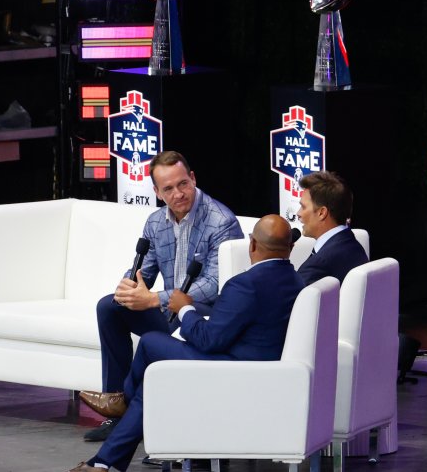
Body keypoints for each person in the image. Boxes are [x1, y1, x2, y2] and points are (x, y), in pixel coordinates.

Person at [70, 215, 306, 472]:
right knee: (150, 387)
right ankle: (104, 463)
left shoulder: (245, 284)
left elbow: (209, 340)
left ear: (252, 245)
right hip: (260, 367)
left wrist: (185, 310)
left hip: (233, 370)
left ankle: (122, 402)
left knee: (150, 343)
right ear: (291, 247)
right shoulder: (296, 280)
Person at [86, 151, 244, 442]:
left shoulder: (221, 221)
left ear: (193, 179)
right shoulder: (155, 222)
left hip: (201, 319)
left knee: (157, 311)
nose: (178, 193)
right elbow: (142, 271)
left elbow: (215, 284)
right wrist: (130, 289)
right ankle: (116, 409)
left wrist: (154, 299)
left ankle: (144, 416)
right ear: (157, 192)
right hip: (166, 316)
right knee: (109, 307)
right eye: (168, 189)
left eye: (183, 184)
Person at [296, 171, 368, 285]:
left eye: (303, 207)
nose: (298, 213)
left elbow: (291, 301)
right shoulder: (353, 244)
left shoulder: (318, 265)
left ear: (322, 213)